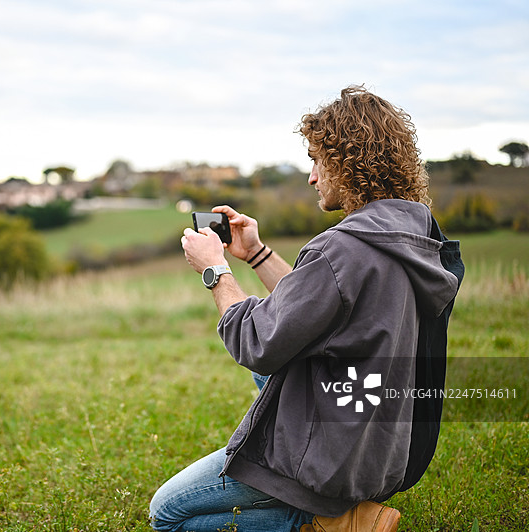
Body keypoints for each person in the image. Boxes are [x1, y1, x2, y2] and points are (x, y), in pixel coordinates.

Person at [149, 86, 464, 532]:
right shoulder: (411, 237)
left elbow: (258, 341)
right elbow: (312, 310)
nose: (313, 177)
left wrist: (215, 270)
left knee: (168, 514)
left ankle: (321, 523)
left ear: (347, 162)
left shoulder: (343, 249)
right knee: (276, 369)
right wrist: (255, 254)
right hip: (379, 440)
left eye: (318, 160)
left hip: (332, 457)